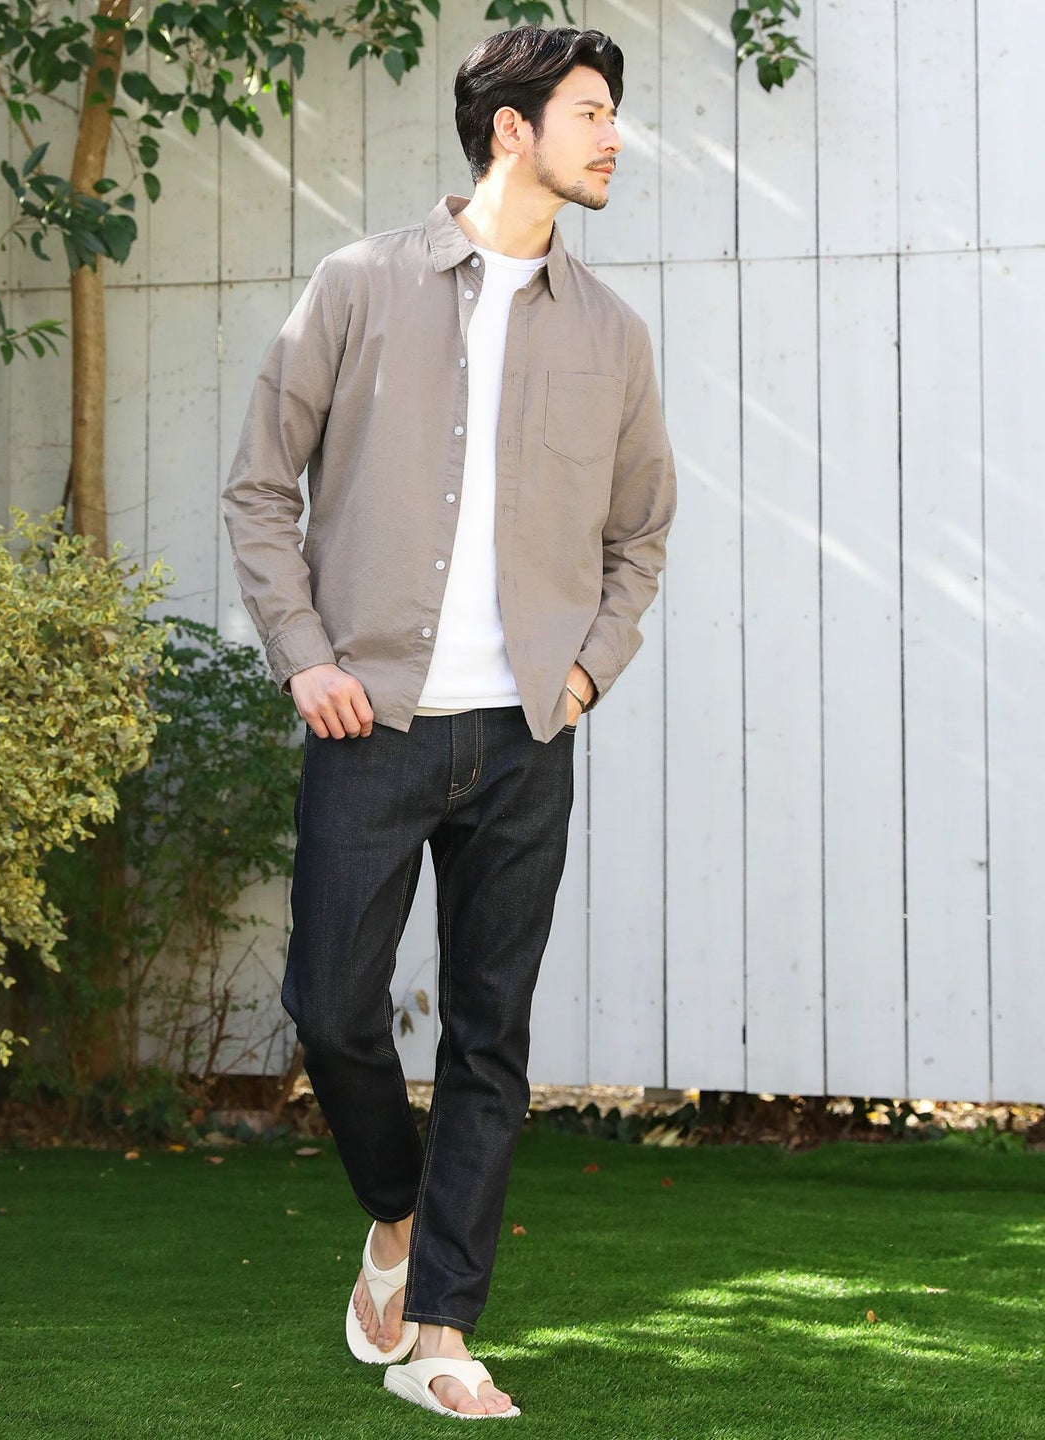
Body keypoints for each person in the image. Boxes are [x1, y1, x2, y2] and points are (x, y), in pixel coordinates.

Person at [221, 24, 676, 1419]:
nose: (613, 136)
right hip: (372, 722)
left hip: (528, 736)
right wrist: (305, 659)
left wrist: (585, 677)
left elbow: (640, 536)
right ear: (511, 130)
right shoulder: (359, 286)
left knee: (489, 1039)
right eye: (590, 112)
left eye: (614, 112)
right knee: (330, 1009)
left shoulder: (611, 333)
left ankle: (441, 1334)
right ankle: (396, 1217)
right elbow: (260, 488)